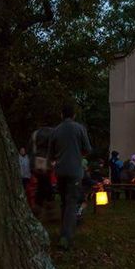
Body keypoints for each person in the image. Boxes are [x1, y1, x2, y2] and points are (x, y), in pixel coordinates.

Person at [48, 103, 92, 250]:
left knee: (64, 202)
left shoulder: (55, 131)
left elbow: (50, 154)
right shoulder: (79, 128)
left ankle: (64, 231)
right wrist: (78, 154)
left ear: (61, 115)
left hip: (60, 171)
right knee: (72, 202)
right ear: (74, 115)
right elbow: (88, 149)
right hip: (74, 171)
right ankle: (66, 237)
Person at [29, 127, 55, 210]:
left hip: (35, 161)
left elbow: (31, 148)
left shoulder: (35, 134)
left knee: (42, 183)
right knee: (45, 183)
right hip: (47, 161)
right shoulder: (52, 133)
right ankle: (47, 203)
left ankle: (40, 204)